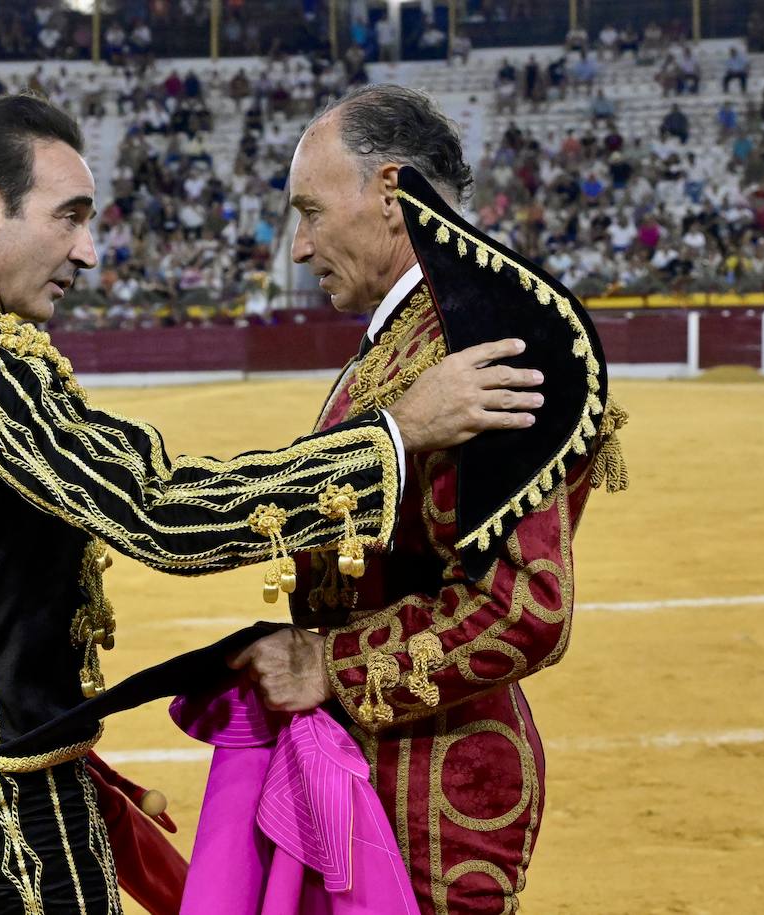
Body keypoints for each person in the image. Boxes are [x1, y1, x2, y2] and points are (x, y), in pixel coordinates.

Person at [0, 94, 542, 913]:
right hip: (4, 791)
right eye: (70, 217)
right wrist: (393, 437)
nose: (87, 251)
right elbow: (157, 511)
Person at [229, 84, 628, 915]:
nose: (299, 247)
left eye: (310, 210)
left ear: (389, 191)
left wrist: (326, 665)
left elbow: (524, 605)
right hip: (373, 770)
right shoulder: (417, 334)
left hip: (431, 795)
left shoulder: (481, 338)